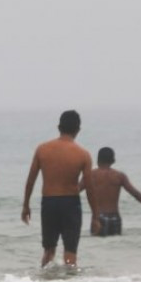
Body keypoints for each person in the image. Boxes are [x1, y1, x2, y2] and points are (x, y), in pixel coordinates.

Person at [22, 110, 97, 267]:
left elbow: (31, 180)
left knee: (48, 251)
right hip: (71, 203)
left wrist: (26, 205)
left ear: (59, 127)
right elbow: (90, 188)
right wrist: (95, 215)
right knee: (70, 253)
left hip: (49, 203)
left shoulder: (42, 149)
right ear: (78, 130)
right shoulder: (83, 155)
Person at [82, 147, 141, 236]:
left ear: (98, 160)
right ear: (113, 160)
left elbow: (75, 191)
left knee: (97, 248)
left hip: (98, 218)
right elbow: (135, 194)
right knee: (116, 247)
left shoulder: (90, 175)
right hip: (115, 218)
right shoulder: (119, 176)